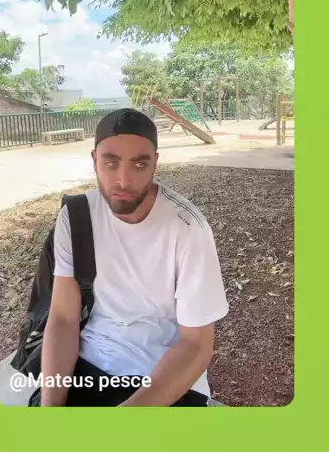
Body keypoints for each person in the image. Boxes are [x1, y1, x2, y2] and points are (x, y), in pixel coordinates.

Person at [39, 108, 228, 407]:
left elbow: (196, 344)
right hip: (90, 366)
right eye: (111, 163)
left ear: (155, 162)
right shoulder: (76, 217)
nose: (124, 180)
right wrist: (51, 405)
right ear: (94, 161)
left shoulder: (188, 228)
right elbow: (63, 318)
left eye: (139, 164)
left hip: (162, 378)